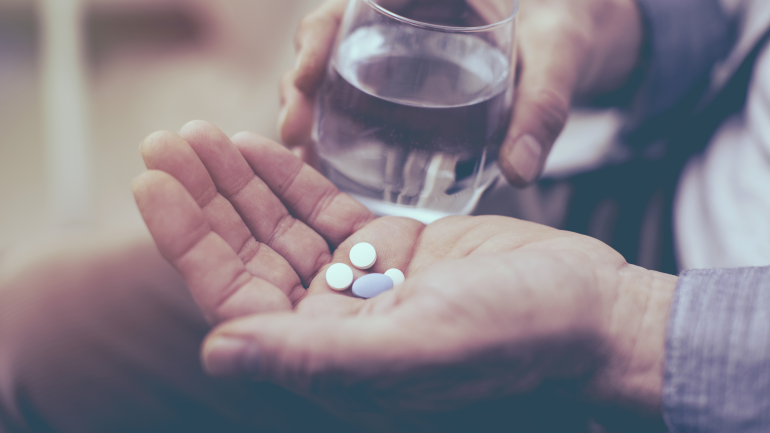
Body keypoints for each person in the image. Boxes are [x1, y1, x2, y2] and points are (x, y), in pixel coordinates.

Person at [2, 1, 770, 432]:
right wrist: (601, 23)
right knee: (29, 333)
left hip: (691, 343)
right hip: (630, 169)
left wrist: (634, 324)